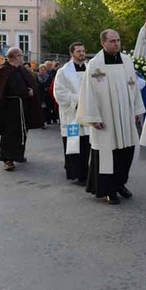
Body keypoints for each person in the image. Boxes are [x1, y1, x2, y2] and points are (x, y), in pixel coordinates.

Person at [77, 30, 145, 205]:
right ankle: (108, 190)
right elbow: (88, 93)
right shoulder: (95, 64)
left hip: (125, 116)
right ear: (103, 43)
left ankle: (120, 183)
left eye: (118, 40)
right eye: (113, 41)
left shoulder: (127, 61)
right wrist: (93, 117)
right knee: (108, 154)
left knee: (126, 152)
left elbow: (134, 86)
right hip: (106, 118)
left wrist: (137, 110)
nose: (117, 44)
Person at [0, 47, 43, 171]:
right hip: (10, 109)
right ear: (13, 57)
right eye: (20, 55)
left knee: (22, 132)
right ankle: (7, 159)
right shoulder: (4, 71)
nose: (22, 58)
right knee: (9, 134)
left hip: (23, 108)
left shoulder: (21, 69)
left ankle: (18, 155)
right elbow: (2, 91)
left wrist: (31, 91)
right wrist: (25, 92)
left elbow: (30, 83)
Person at [53, 42, 90, 186]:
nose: (82, 53)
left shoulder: (90, 69)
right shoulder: (63, 72)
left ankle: (86, 172)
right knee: (74, 142)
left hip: (87, 114)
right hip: (72, 114)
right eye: (79, 51)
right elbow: (59, 93)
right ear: (72, 53)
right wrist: (78, 99)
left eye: (83, 50)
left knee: (87, 143)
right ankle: (76, 174)